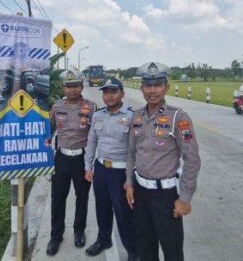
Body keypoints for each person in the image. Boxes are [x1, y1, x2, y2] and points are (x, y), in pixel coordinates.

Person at [124, 62, 201, 261]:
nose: (152, 90)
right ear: (141, 88)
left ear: (166, 87)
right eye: (148, 85)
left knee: (172, 249)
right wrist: (129, 182)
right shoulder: (137, 116)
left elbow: (192, 159)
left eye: (157, 85)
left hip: (165, 195)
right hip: (140, 193)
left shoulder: (178, 117)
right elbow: (131, 153)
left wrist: (185, 198)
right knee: (145, 247)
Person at [84, 78, 138, 261]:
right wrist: (88, 167)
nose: (109, 96)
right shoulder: (98, 115)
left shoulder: (132, 117)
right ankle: (103, 239)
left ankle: (133, 251)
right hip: (101, 170)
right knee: (102, 208)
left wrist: (130, 177)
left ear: (122, 94)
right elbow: (92, 142)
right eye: (106, 92)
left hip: (120, 172)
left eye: (113, 92)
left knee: (124, 214)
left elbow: (135, 149)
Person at [47, 69, 96, 256]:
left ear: (81, 87)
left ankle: (79, 231)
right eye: (69, 86)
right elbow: (48, 130)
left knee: (82, 198)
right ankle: (56, 236)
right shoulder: (57, 106)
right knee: (57, 198)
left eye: (75, 86)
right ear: (63, 87)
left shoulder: (91, 107)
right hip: (61, 159)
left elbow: (96, 135)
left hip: (82, 160)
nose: (72, 90)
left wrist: (91, 163)